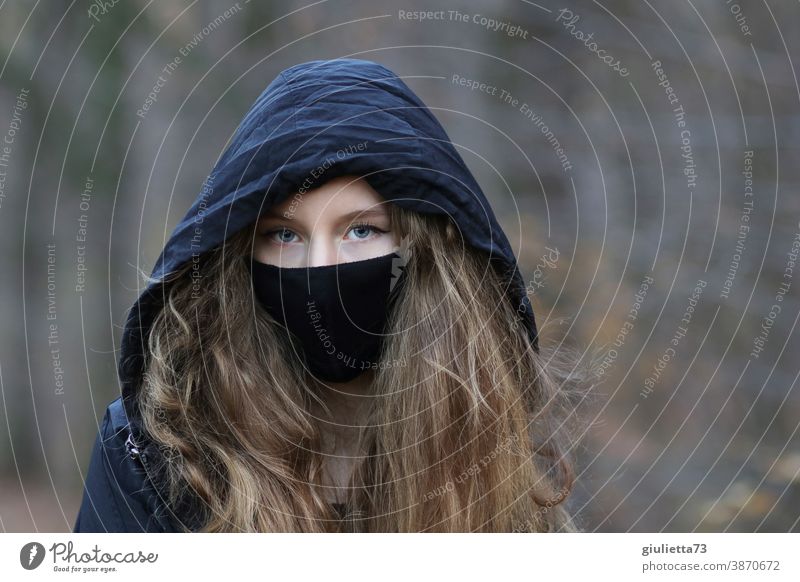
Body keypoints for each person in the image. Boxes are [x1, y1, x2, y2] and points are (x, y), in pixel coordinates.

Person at [73, 58, 585, 533]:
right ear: (238, 255)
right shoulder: (154, 452)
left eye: (360, 230)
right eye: (284, 235)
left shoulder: (488, 441)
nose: (322, 266)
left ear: (423, 249)